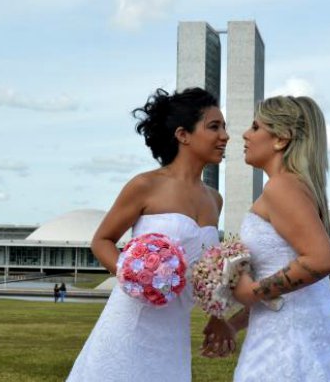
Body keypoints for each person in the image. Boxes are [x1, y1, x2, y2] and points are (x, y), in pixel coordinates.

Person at [66, 87, 229, 382]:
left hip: (173, 335)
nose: (225, 136)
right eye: (214, 127)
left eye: (224, 127)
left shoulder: (215, 200)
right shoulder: (145, 185)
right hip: (129, 325)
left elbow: (208, 273)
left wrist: (217, 316)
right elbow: (102, 241)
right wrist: (135, 276)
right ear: (183, 135)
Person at [222, 96, 330, 381]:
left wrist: (251, 292)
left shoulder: (282, 187)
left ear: (280, 139)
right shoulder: (294, 186)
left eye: (255, 127)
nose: (245, 135)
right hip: (288, 332)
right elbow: (286, 285)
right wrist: (234, 324)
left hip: (288, 343)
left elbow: (320, 260)